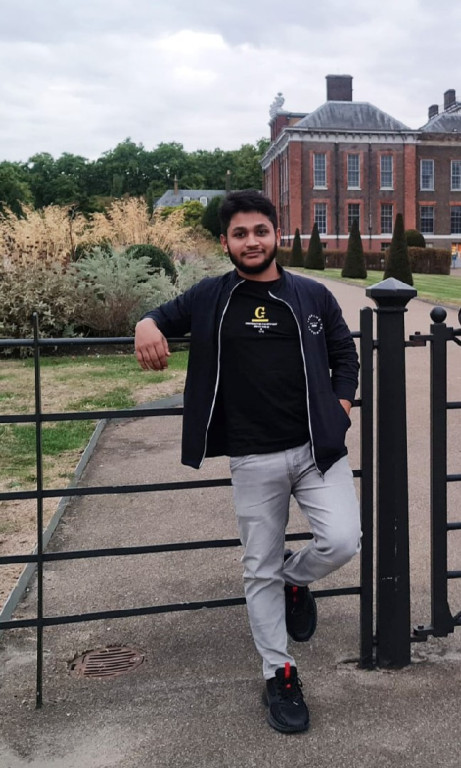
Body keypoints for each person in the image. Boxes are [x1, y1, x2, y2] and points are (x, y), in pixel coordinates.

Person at [135, 189, 361, 734]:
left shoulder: (312, 295)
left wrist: (340, 408)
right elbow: (161, 315)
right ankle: (279, 672)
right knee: (257, 566)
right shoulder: (210, 296)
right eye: (240, 234)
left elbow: (344, 356)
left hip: (316, 449)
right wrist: (145, 324)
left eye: (260, 231)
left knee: (342, 541)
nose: (252, 241)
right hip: (252, 455)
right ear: (225, 242)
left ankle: (293, 581)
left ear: (276, 234)